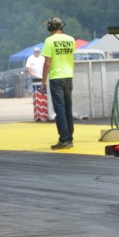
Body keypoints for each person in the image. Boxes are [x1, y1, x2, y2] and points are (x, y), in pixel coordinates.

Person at [40, 17, 76, 150]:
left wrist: (43, 82)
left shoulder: (49, 41)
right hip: (68, 77)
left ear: (50, 28)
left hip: (56, 77)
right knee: (68, 109)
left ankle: (64, 139)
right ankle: (70, 138)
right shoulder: (71, 39)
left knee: (59, 109)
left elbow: (47, 64)